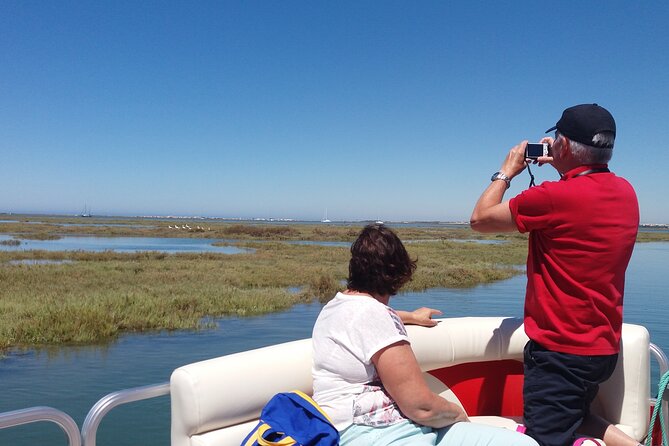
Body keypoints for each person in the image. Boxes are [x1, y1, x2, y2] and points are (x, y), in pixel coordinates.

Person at [470, 104, 641, 446]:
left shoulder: (552, 197)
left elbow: (480, 219)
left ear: (561, 146)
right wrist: (566, 167)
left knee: (547, 439)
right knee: (576, 416)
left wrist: (506, 171)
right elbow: (582, 199)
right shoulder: (627, 192)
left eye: (555, 140)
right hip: (601, 349)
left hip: (560, 353)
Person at [311, 223, 539, 446]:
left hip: (345, 428)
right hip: (379, 433)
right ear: (397, 273)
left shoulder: (335, 307)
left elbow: (365, 320)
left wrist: (410, 316)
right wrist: (459, 415)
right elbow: (421, 407)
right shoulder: (374, 315)